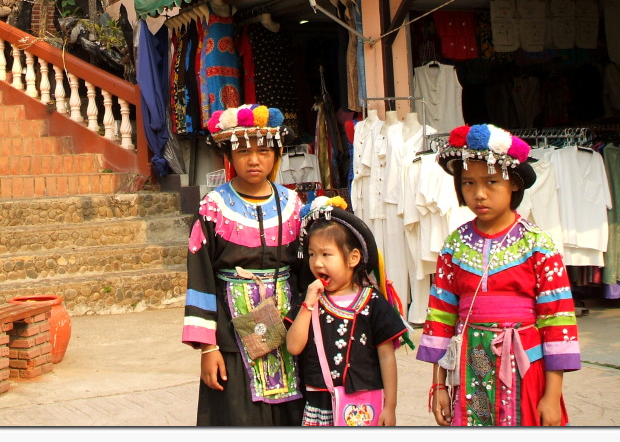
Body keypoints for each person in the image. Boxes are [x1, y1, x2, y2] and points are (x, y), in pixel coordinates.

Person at [417, 123, 581, 426]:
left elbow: (557, 320)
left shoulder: (538, 244)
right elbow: (441, 317)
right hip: (469, 368)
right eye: (468, 183)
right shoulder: (454, 245)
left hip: (526, 371)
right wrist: (439, 384)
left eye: (491, 182)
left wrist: (552, 395)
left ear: (514, 183)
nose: (479, 194)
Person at [181, 104, 305, 425]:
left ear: (276, 155)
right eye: (244, 152)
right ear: (229, 156)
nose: (254, 160)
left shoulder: (293, 205)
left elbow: (306, 272)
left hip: (288, 331)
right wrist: (209, 349)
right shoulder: (213, 208)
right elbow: (201, 278)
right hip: (232, 338)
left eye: (264, 151)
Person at [286, 199, 410, 426]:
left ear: (353, 258)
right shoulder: (311, 299)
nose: (317, 263)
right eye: (312, 255)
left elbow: (386, 356)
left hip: (364, 404)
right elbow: (294, 346)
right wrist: (308, 306)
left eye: (326, 254)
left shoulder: (372, 302)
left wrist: (389, 406)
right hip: (319, 403)